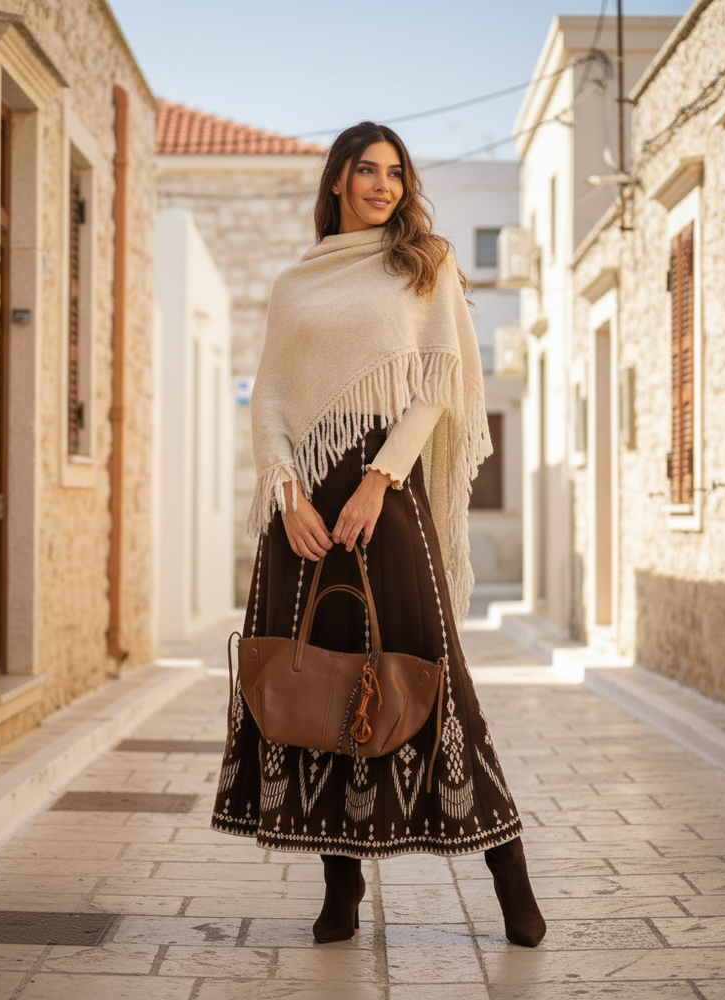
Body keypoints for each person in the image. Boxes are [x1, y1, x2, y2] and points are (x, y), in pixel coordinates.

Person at [212, 121, 546, 948]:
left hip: (385, 500)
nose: (383, 186)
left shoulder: (422, 265)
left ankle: (510, 877)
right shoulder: (296, 285)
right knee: (320, 685)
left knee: (436, 677)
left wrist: (377, 480)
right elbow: (275, 403)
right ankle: (340, 887)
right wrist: (289, 496)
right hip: (305, 511)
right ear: (337, 181)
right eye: (367, 171)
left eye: (396, 173)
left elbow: (437, 386)